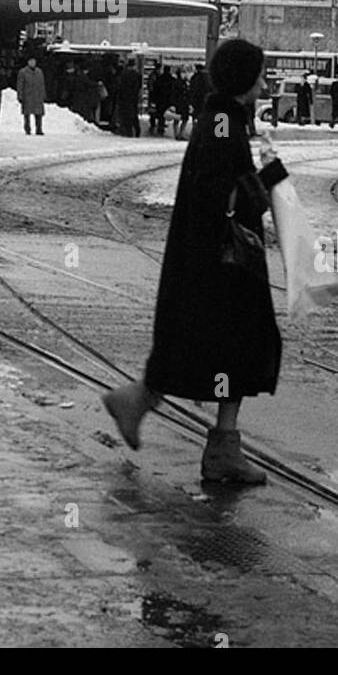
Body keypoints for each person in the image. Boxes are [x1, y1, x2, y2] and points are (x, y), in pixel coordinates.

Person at [101, 38, 290, 485]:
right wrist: (271, 177)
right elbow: (225, 194)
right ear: (244, 79)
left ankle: (145, 403)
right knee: (237, 346)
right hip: (222, 264)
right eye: (260, 75)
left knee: (207, 346)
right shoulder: (224, 122)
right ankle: (216, 446)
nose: (264, 84)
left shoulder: (222, 118)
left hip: (207, 258)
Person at [15, 55, 46, 136]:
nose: (33, 63)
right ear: (28, 62)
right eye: (31, 61)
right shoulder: (23, 72)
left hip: (37, 96)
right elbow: (20, 85)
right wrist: (20, 95)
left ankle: (39, 129)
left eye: (34, 61)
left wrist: (43, 94)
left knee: (38, 114)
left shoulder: (39, 72)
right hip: (27, 96)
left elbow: (42, 84)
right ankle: (27, 128)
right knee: (27, 113)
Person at [116, 58, 142, 137]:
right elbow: (139, 87)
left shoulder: (124, 75)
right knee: (134, 115)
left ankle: (128, 131)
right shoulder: (137, 75)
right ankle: (137, 131)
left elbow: (120, 87)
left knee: (126, 115)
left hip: (125, 98)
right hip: (133, 98)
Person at [148, 65, 174, 136]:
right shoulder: (171, 79)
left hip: (159, 99)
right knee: (164, 113)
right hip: (167, 99)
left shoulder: (159, 78)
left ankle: (158, 125)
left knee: (159, 113)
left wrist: (154, 99)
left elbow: (155, 89)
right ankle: (161, 126)